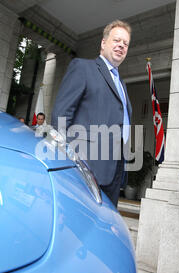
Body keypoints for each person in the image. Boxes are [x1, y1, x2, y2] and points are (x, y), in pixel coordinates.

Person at [51, 20, 132, 207]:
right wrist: (70, 165)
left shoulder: (122, 84)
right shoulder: (83, 67)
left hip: (114, 172)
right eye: (117, 40)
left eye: (125, 43)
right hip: (85, 170)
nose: (121, 45)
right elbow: (61, 116)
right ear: (103, 43)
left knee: (101, 228)